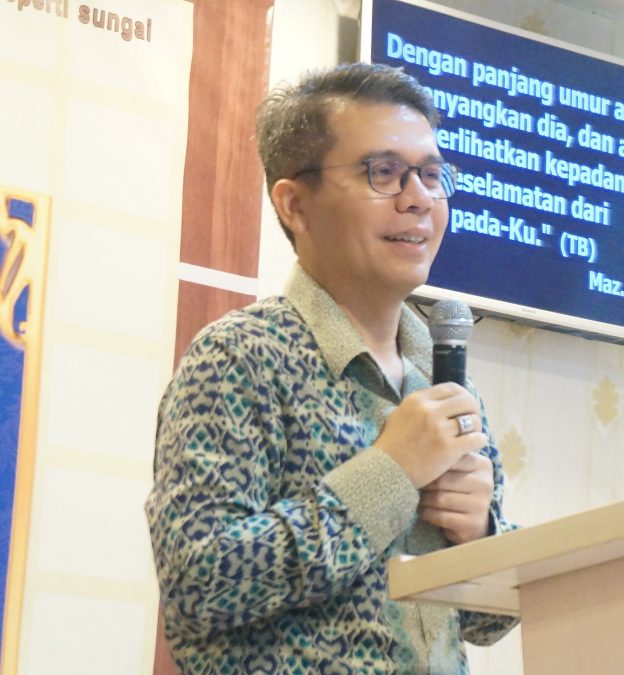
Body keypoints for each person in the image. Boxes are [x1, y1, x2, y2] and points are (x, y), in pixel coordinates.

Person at [145, 62, 517, 674]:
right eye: (384, 173)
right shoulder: (241, 357)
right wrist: (391, 473)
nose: (419, 199)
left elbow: (487, 623)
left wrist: (480, 534)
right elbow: (200, 582)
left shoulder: (447, 380)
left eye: (431, 175)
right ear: (295, 205)